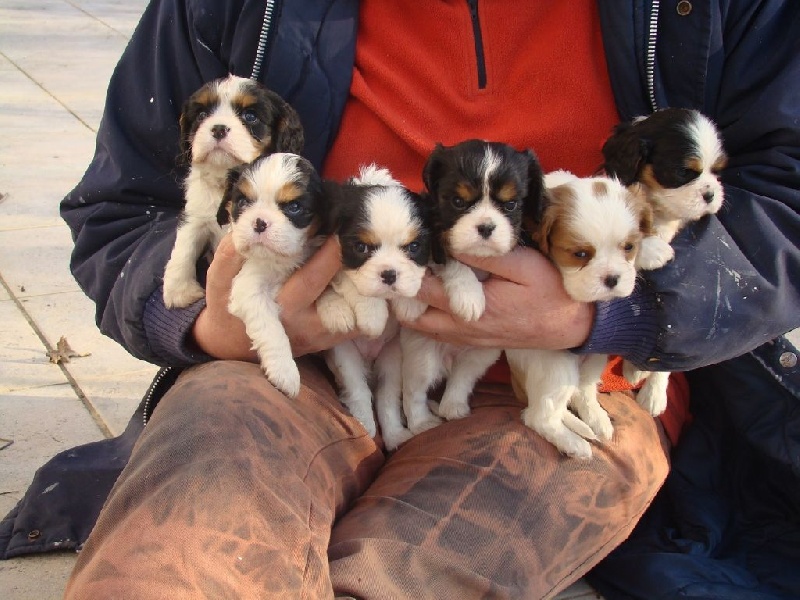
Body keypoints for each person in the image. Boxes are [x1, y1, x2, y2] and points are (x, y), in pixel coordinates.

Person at [1, 1, 798, 598]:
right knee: (172, 564)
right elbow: (124, 205)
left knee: (420, 572)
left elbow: (787, 192)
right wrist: (202, 323)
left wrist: (618, 311)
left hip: (584, 378)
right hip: (291, 365)